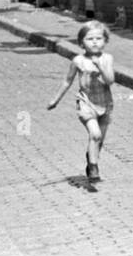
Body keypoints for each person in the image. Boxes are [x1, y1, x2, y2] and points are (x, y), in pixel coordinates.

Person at [47, 20, 116, 183]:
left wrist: (101, 67)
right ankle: (93, 168)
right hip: (86, 103)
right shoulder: (78, 61)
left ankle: (91, 157)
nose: (94, 42)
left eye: (99, 38)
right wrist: (55, 100)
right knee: (95, 134)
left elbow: (110, 80)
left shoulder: (107, 59)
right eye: (90, 39)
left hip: (105, 104)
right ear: (81, 43)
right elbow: (67, 80)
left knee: (99, 140)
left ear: (105, 41)